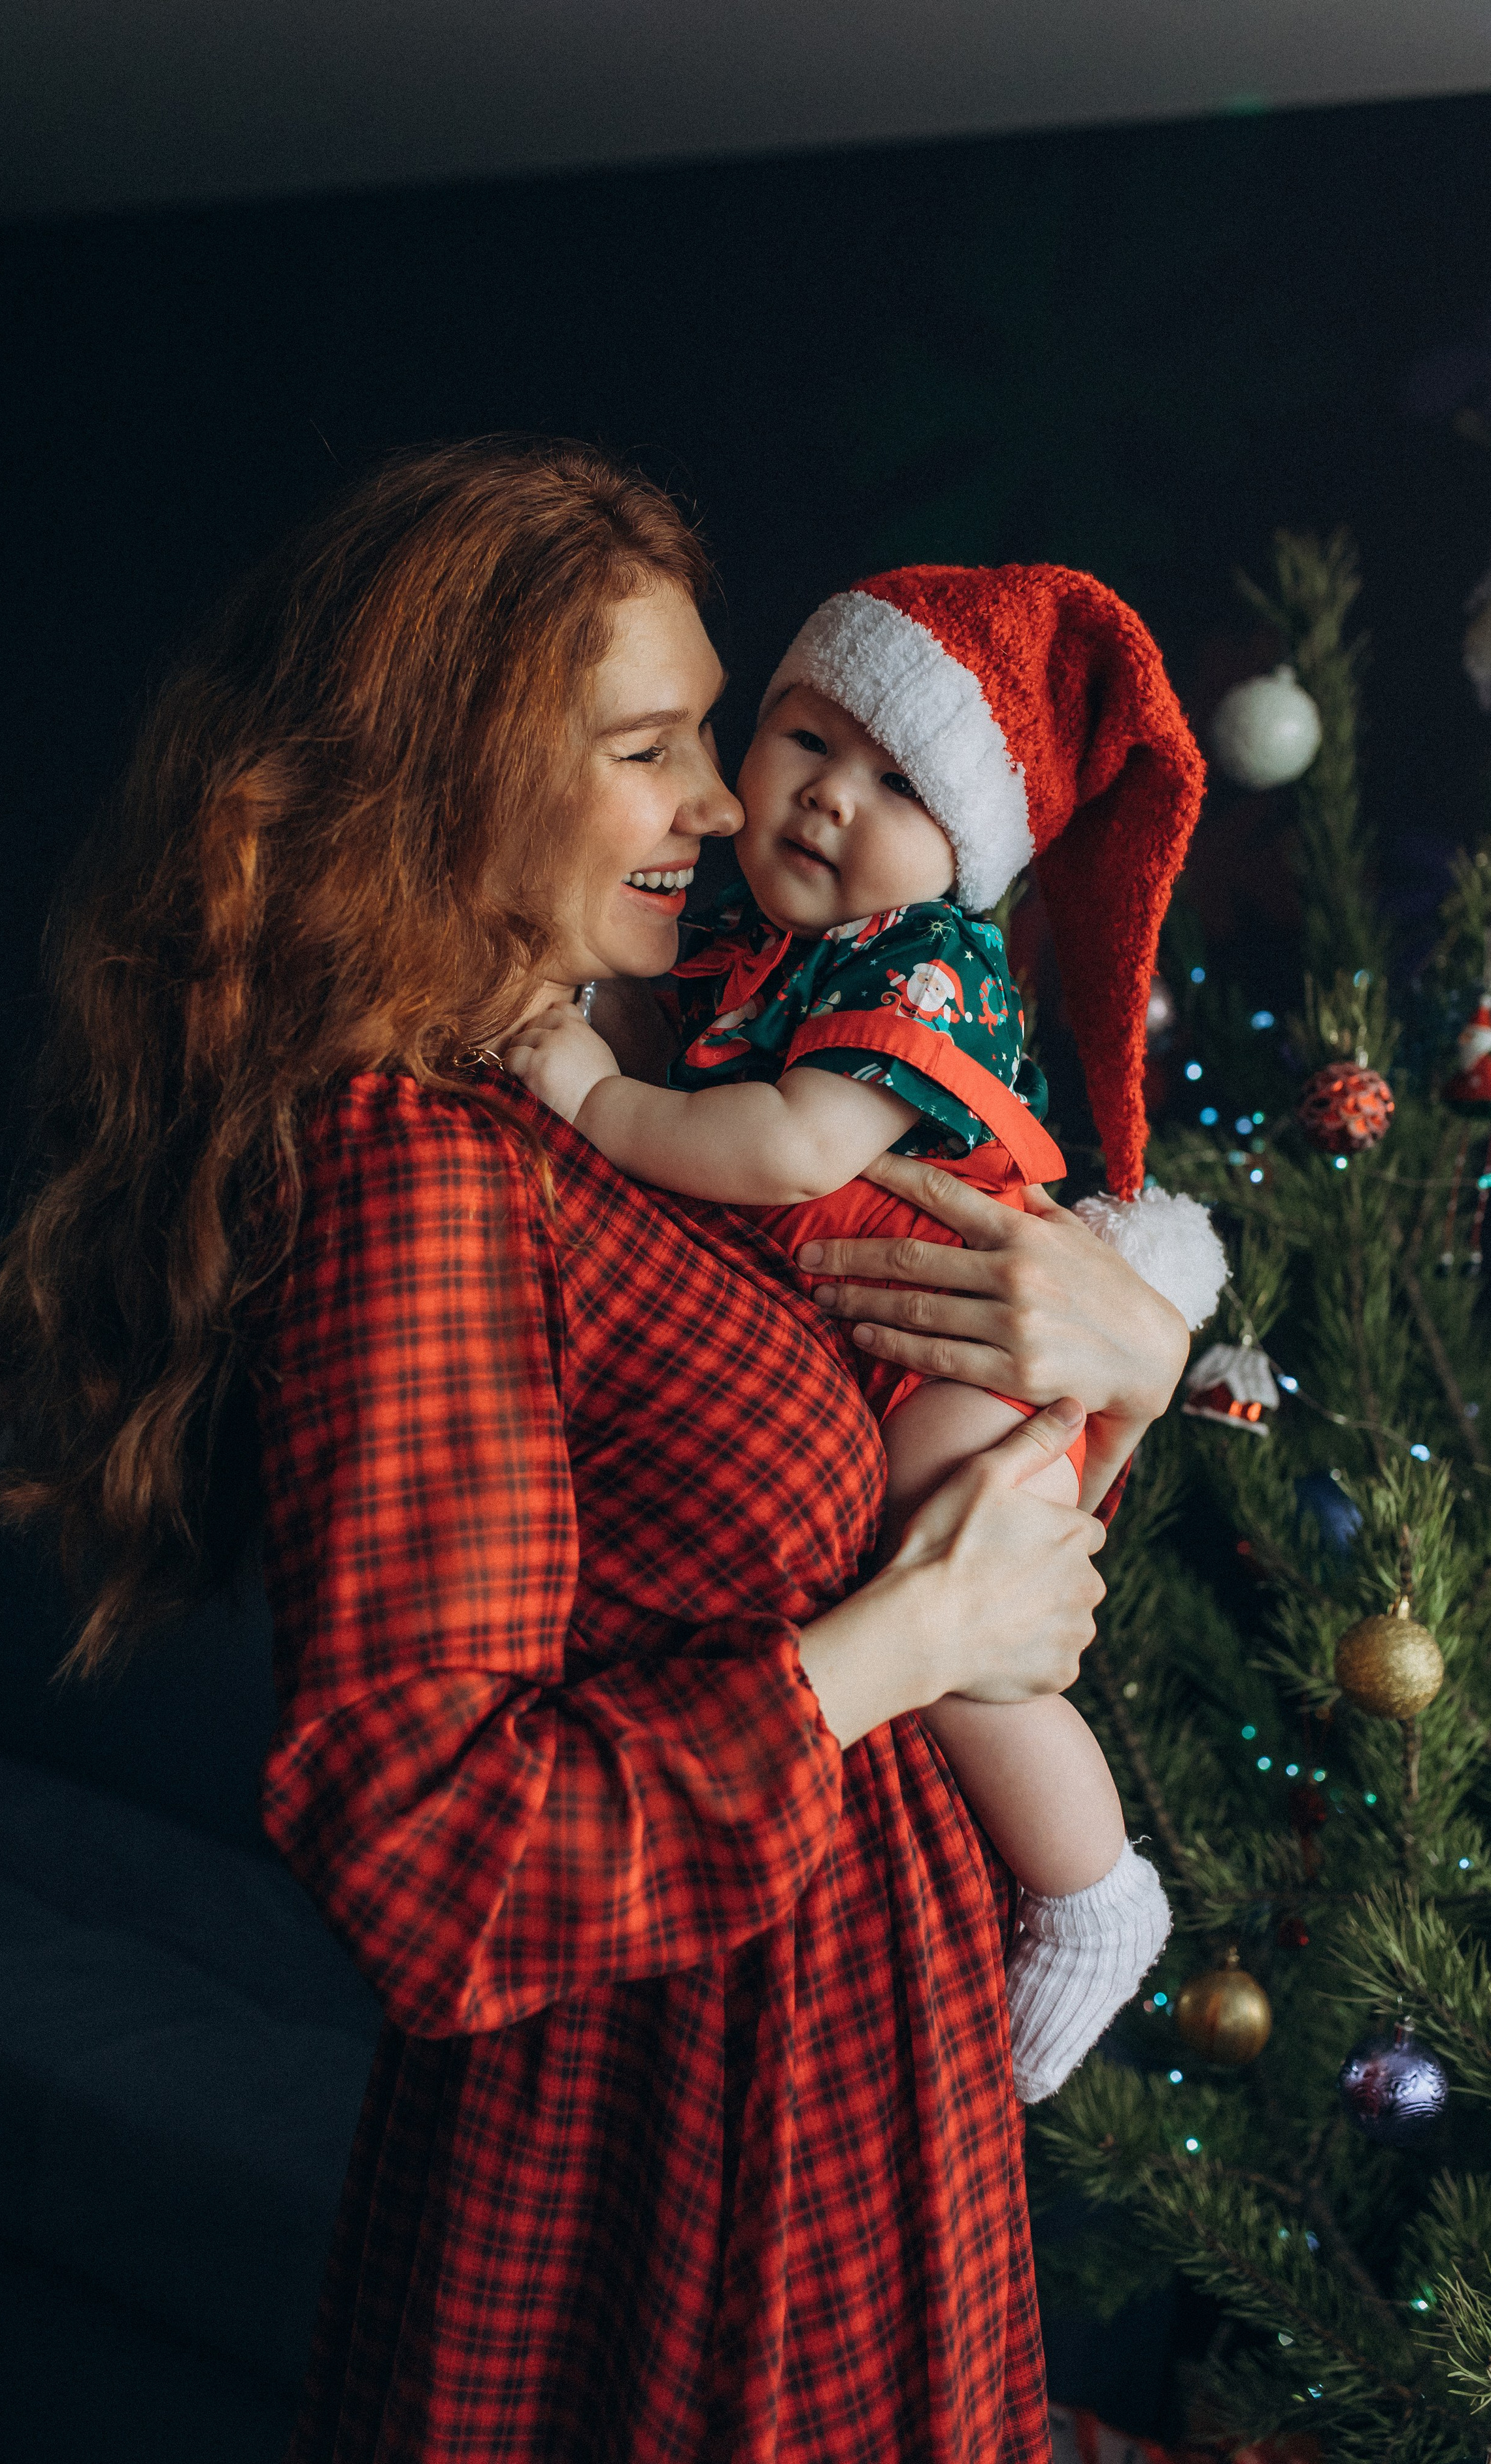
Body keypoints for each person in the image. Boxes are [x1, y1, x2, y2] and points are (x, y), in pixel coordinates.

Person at [0, 441, 1191, 2464]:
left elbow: (943, 1505)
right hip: (672, 2167)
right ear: (450, 779)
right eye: (654, 746)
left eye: (720, 732)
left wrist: (1131, 1359)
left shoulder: (653, 1094)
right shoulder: (416, 1175)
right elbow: (430, 1856)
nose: (730, 802)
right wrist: (900, 1649)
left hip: (859, 2095)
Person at [506, 565, 1228, 2099]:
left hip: (961, 1347)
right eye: (802, 740)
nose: (829, 799)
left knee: (959, 1607)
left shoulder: (923, 962)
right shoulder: (749, 943)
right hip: (894, 1337)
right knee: (937, 1592)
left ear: (967, 850)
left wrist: (589, 1094)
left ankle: (1094, 1888)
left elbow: (775, 1152)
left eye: (897, 781)